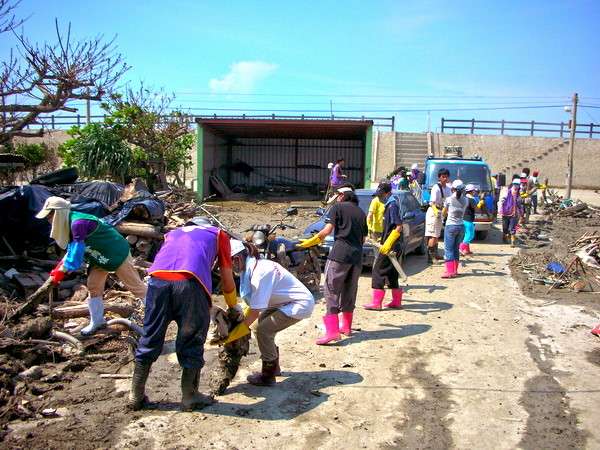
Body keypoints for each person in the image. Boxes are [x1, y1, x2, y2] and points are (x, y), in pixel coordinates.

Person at [127, 218, 237, 411]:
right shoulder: (218, 234)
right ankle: (190, 396)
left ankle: (135, 396)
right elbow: (227, 278)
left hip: (156, 282)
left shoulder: (172, 234)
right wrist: (232, 306)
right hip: (190, 284)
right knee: (191, 338)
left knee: (151, 335)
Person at [36, 196, 147, 335]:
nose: (48, 219)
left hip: (115, 251)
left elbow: (76, 254)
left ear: (58, 212)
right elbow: (71, 249)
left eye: (50, 215)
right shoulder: (68, 224)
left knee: (133, 284)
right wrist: (60, 267)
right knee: (94, 285)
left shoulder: (78, 223)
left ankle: (158, 313)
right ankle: (97, 321)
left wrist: (64, 269)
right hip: (98, 255)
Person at [222, 240, 314, 386]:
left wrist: (231, 337)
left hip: (299, 304)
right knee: (256, 327)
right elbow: (253, 312)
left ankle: (268, 375)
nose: (229, 268)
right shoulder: (255, 266)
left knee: (264, 331)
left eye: (228, 263)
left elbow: (253, 312)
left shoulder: (260, 274)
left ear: (237, 259)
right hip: (283, 302)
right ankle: (275, 367)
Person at [298, 184, 367, 344]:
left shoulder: (338, 207)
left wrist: (310, 242)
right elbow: (363, 239)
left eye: (338, 195)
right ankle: (347, 327)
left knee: (331, 290)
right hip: (357, 256)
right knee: (349, 290)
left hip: (340, 254)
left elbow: (327, 231)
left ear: (342, 196)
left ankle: (332, 331)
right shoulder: (360, 212)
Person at [363, 182, 404, 310]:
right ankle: (396, 301)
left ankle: (376, 302)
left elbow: (398, 227)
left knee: (378, 271)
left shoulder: (392, 206)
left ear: (388, 193)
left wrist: (388, 243)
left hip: (392, 245)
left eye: (381, 195)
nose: (380, 197)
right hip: (392, 243)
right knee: (392, 273)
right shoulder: (389, 205)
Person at [441, 180, 468, 278]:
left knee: (448, 248)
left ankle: (449, 271)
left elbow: (444, 213)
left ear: (453, 189)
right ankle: (455, 270)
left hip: (451, 226)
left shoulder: (449, 199)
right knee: (456, 249)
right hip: (461, 225)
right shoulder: (466, 200)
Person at [425, 168, 452, 264]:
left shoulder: (448, 188)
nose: (445, 178)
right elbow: (432, 203)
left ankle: (435, 254)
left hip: (442, 212)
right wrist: (436, 211)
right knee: (433, 235)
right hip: (434, 212)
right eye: (443, 177)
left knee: (437, 235)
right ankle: (431, 257)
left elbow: (449, 200)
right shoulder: (436, 188)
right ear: (439, 177)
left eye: (446, 176)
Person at [460, 184, 482, 256]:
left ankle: (467, 250)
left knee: (466, 234)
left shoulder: (464, 198)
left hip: (463, 218)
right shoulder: (471, 200)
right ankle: (460, 249)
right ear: (472, 191)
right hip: (468, 219)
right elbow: (476, 209)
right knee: (470, 235)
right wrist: (480, 204)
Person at [499, 179, 523, 246]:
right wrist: (502, 206)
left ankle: (513, 242)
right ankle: (504, 238)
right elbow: (503, 199)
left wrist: (521, 212)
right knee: (505, 227)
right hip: (505, 212)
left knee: (512, 227)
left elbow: (519, 204)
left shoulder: (518, 194)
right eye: (515, 184)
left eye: (518, 185)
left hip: (514, 212)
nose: (516, 186)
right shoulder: (508, 191)